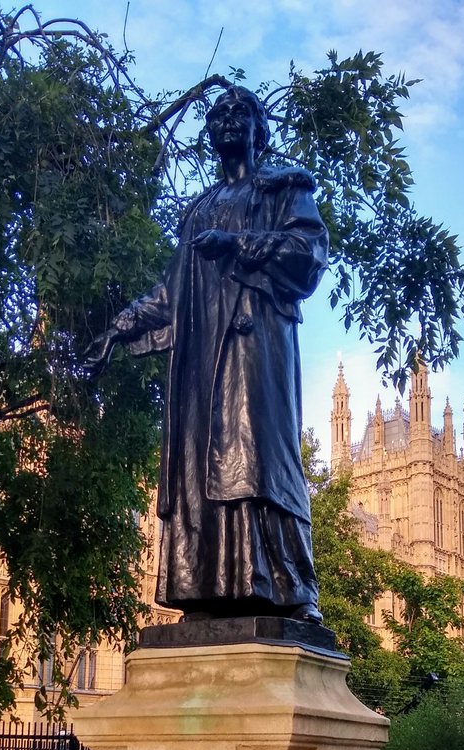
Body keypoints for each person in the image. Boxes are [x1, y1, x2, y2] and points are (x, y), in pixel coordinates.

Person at [90, 86, 328, 623]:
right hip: (199, 359)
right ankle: (210, 587)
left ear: (255, 128)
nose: (225, 123)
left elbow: (307, 255)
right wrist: (119, 326)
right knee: (201, 467)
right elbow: (172, 293)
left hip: (252, 347)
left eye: (237, 114)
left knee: (259, 460)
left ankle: (289, 588)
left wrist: (238, 245)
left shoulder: (285, 188)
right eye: (216, 117)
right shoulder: (197, 211)